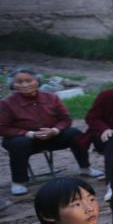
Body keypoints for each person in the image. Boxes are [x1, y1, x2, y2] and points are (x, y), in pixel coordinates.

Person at [0, 68, 102, 196]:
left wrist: (55, 130)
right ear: (13, 85)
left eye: (28, 81)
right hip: (26, 140)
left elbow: (66, 119)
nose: (24, 85)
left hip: (53, 136)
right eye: (19, 82)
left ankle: (85, 167)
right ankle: (19, 181)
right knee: (18, 144)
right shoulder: (7, 103)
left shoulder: (51, 97)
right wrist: (29, 134)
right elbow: (3, 127)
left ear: (37, 81)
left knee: (75, 133)